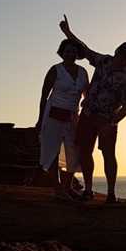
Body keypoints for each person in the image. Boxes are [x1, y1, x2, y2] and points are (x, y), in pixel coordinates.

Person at [59, 14, 126, 203]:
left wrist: (112, 121)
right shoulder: (104, 61)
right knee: (84, 151)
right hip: (88, 114)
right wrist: (68, 32)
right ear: (116, 52)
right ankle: (88, 189)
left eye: (123, 57)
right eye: (118, 54)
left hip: (107, 120)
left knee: (109, 155)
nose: (119, 59)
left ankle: (111, 194)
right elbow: (85, 50)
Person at [35, 38, 90, 198]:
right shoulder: (55, 70)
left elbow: (87, 96)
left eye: (73, 51)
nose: (70, 54)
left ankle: (67, 187)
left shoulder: (82, 72)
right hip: (53, 115)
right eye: (67, 51)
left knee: (72, 152)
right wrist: (39, 119)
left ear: (77, 54)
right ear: (62, 53)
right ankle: (57, 188)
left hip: (72, 116)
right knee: (52, 151)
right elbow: (44, 96)